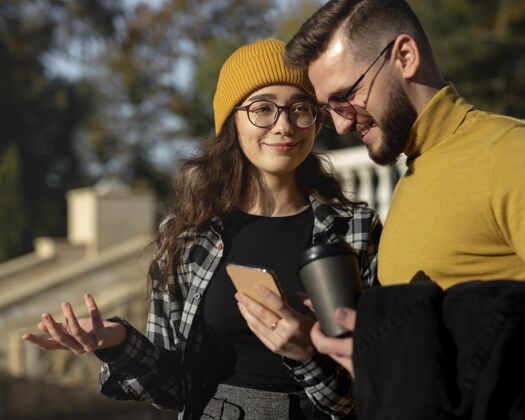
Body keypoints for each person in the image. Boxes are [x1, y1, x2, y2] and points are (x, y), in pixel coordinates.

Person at [22, 38, 382, 419]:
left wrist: (307, 353)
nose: (284, 125)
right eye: (262, 109)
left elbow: (368, 391)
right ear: (232, 122)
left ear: (316, 119)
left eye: (300, 108)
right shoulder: (190, 237)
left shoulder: (354, 230)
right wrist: (119, 342)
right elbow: (176, 389)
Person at [284, 0, 525, 376]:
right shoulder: (413, 177)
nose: (341, 125)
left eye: (345, 97)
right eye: (328, 108)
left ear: (405, 56)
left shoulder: (510, 154)